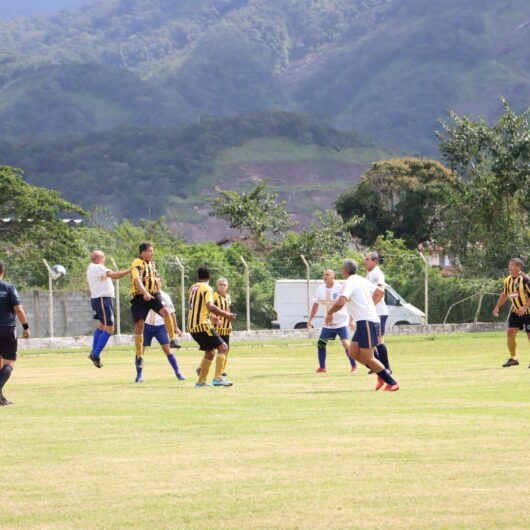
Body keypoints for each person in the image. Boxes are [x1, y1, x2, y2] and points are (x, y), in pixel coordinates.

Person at [326, 259, 400, 391]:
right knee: (353, 352)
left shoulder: (349, 283)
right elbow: (380, 292)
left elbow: (341, 301)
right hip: (364, 321)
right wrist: (370, 306)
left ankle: (391, 381)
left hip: (367, 321)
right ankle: (381, 373)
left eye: (342, 268)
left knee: (368, 357)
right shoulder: (361, 279)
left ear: (345, 270)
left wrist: (330, 312)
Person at [129, 242, 179, 378]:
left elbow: (154, 279)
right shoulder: (137, 263)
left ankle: (173, 340)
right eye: (150, 251)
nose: (152, 253)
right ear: (142, 252)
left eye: (152, 251)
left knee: (166, 312)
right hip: (141, 296)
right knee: (139, 326)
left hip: (153, 295)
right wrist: (144, 293)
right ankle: (139, 356)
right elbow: (137, 280)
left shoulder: (151, 263)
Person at [188, 266, 236, 388]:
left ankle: (200, 382)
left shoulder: (193, 287)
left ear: (198, 276)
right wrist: (226, 314)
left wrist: (212, 318)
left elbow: (200, 308)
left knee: (209, 353)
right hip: (203, 325)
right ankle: (218, 379)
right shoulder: (207, 289)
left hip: (192, 326)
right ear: (210, 277)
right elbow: (210, 306)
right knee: (224, 347)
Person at [86, 250, 131, 368]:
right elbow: (116, 276)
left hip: (99, 299)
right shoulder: (98, 267)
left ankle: (93, 352)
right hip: (102, 300)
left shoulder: (92, 267)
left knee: (101, 326)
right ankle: (95, 354)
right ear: (98, 258)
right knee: (110, 328)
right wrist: (131, 269)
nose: (104, 259)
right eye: (103, 257)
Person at [307, 269, 358, 373]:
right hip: (328, 323)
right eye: (324, 274)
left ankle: (354, 366)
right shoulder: (320, 288)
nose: (325, 276)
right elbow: (315, 305)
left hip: (342, 321)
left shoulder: (340, 287)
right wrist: (310, 320)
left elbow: (350, 303)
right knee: (321, 343)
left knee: (345, 343)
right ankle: (322, 368)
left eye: (327, 274)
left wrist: (352, 320)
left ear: (333, 276)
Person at [136, 278, 184, 383]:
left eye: (157, 281)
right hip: (146, 326)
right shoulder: (144, 294)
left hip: (160, 327)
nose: (155, 283)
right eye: (153, 281)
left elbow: (171, 313)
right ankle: (139, 375)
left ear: (161, 283)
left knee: (167, 349)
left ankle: (178, 372)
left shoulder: (164, 296)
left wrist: (175, 327)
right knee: (140, 351)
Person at [0, 260, 30, 406]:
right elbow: (18, 308)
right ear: (3, 270)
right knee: (9, 363)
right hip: (7, 329)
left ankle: (0, 398)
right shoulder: (8, 287)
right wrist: (25, 326)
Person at [492, 257, 530, 368]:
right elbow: (504, 294)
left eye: (512, 265)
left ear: (519, 267)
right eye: (509, 265)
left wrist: (524, 307)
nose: (510, 267)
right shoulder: (507, 280)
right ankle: (513, 359)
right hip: (516, 312)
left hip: (528, 311)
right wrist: (497, 307)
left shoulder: (526, 280)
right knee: (510, 332)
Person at [196, 277, 233, 379]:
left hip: (225, 327)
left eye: (224, 285)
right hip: (215, 326)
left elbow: (228, 310)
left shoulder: (228, 297)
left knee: (226, 349)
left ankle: (221, 371)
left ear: (227, 287)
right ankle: (201, 368)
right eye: (220, 285)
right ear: (217, 286)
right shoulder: (214, 296)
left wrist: (229, 324)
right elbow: (209, 309)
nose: (222, 286)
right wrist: (215, 319)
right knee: (212, 349)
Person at [364, 252, 391, 372]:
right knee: (370, 340)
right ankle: (377, 365)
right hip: (371, 312)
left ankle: (386, 368)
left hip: (379, 312)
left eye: (368, 259)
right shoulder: (369, 274)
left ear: (375, 261)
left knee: (379, 340)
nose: (365, 261)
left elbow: (380, 290)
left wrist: (372, 306)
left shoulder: (377, 273)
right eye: (365, 259)